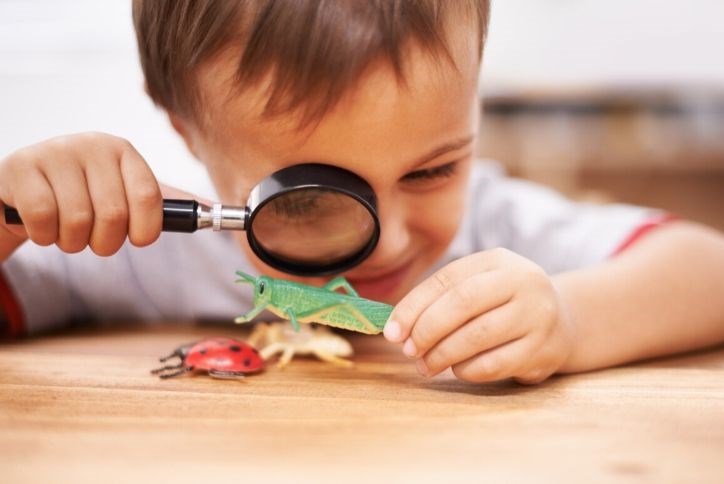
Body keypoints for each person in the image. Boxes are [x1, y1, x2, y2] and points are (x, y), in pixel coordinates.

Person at [1, 0, 723, 384]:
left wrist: (571, 318)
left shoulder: (495, 228)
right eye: (310, 199)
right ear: (187, 130)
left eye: (433, 170)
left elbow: (709, 271)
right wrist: (10, 216)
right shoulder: (142, 249)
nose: (397, 237)